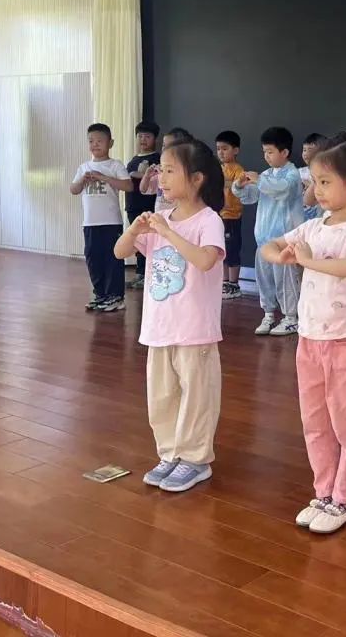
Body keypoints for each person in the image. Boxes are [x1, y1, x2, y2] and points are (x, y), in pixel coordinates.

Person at [260, 138, 346, 534]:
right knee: (315, 421)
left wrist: (309, 260)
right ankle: (324, 491)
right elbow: (271, 245)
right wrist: (281, 254)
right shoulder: (312, 226)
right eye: (314, 181)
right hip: (310, 341)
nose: (317, 190)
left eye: (325, 182)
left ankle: (344, 497)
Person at [113, 139, 226, 493]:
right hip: (159, 327)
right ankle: (170, 452)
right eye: (160, 169)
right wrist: (135, 230)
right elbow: (120, 252)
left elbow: (205, 260)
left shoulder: (208, 220)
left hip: (195, 329)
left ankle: (195, 458)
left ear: (196, 178)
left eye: (170, 170)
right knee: (162, 396)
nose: (160, 177)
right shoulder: (161, 220)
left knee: (197, 396)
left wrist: (167, 232)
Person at [232, 127, 304, 336]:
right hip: (263, 240)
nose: (266, 156)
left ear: (285, 152)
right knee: (265, 279)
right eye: (264, 151)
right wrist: (239, 187)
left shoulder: (293, 175)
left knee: (286, 280)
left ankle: (291, 318)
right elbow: (250, 197)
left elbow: (282, 189)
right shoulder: (265, 175)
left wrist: (259, 180)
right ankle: (269, 314)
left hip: (284, 241)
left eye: (270, 152)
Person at [70, 123, 132, 313]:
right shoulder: (84, 167)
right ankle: (100, 295)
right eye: (91, 141)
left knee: (113, 258)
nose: (95, 144)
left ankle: (116, 297)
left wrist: (103, 177)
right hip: (90, 223)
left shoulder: (115, 165)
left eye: (99, 141)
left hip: (111, 222)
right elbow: (73, 189)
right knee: (93, 258)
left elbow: (128, 186)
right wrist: (83, 180)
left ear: (110, 143)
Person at [125, 121, 161, 290]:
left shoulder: (157, 158)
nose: (143, 140)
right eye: (140, 136)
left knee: (150, 240)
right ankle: (140, 274)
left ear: (155, 139)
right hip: (132, 205)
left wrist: (140, 174)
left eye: (147, 136)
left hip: (149, 206)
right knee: (138, 240)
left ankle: (149, 274)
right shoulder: (133, 160)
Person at [215, 130, 246, 300]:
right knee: (222, 250)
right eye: (218, 149)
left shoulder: (238, 170)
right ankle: (225, 282)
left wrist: (221, 181)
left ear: (236, 150)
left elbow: (238, 185)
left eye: (225, 148)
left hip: (232, 216)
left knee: (232, 250)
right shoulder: (218, 168)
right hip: (219, 215)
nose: (221, 152)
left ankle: (234, 284)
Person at [141, 127, 192, 214]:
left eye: (169, 146)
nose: (164, 149)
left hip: (178, 216)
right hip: (160, 216)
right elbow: (143, 189)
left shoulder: (186, 173)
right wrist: (147, 176)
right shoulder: (160, 170)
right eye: (163, 145)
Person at [300, 132, 329, 221]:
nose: (306, 153)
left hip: (319, 219)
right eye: (304, 150)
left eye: (310, 150)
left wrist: (311, 185)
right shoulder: (299, 172)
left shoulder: (326, 174)